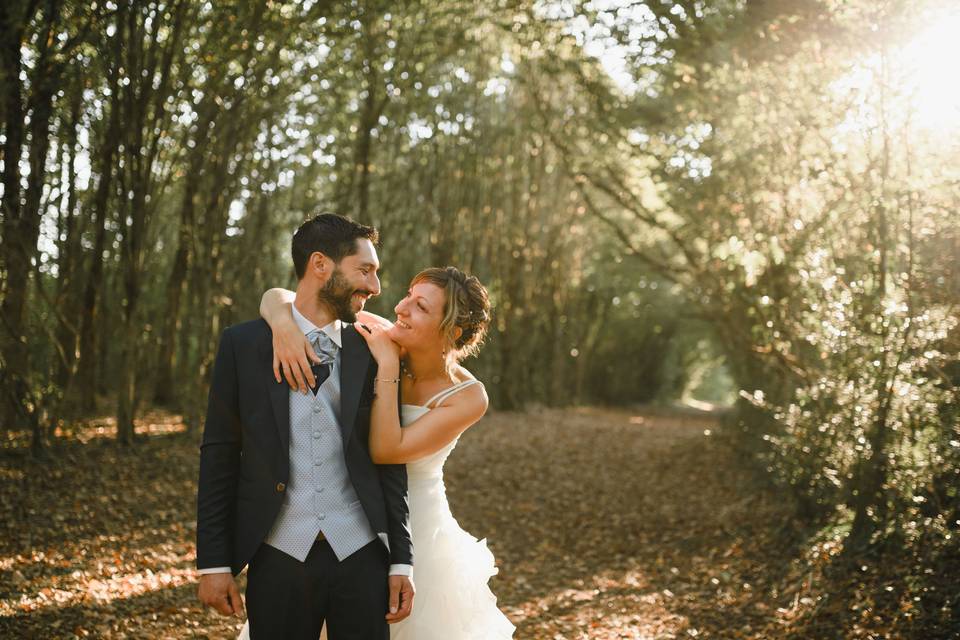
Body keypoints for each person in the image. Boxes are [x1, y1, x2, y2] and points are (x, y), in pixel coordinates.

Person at [260, 265, 515, 640]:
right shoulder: (380, 329)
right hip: (346, 511)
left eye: (420, 307)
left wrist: (389, 363)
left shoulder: (467, 396)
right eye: (408, 295)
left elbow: (385, 450)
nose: (400, 307)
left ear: (452, 332)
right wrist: (283, 326)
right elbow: (277, 296)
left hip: (417, 531)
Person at [196, 213, 414, 640]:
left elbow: (390, 459)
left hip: (362, 553)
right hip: (276, 554)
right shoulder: (243, 346)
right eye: (365, 270)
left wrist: (400, 561)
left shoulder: (374, 350)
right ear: (320, 265)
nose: (375, 287)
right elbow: (219, 454)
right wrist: (214, 563)